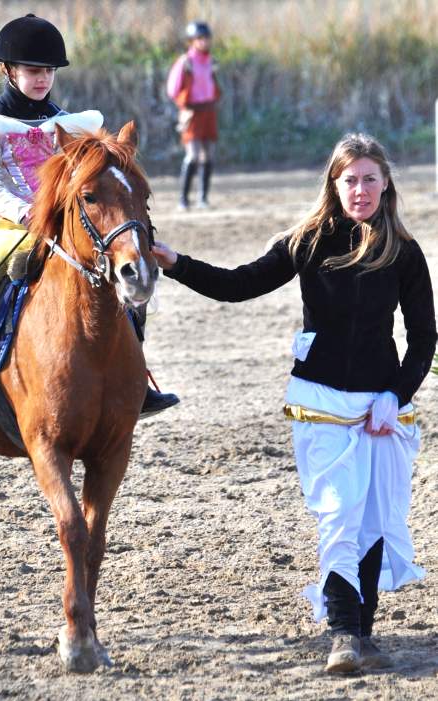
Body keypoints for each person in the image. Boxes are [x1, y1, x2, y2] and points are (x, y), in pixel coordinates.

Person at [152, 133, 436, 673]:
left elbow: (424, 337)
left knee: (373, 519)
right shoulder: (307, 240)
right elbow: (238, 285)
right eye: (349, 179)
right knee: (339, 513)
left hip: (379, 407)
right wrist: (176, 262)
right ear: (334, 183)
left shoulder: (404, 251)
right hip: (320, 403)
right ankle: (343, 634)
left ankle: (365, 630)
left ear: (385, 184)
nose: (360, 189)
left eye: (370, 179)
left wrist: (394, 397)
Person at [0, 13, 179, 427]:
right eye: (32, 70)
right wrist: (27, 212)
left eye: (48, 71)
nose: (42, 78)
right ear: (8, 71)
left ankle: (137, 379)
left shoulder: (70, 126)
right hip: (4, 223)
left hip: (60, 224)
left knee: (122, 270)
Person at [166, 20, 220, 210]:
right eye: (200, 38)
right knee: (193, 155)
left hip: (208, 111)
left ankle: (203, 198)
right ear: (192, 41)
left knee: (209, 155)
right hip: (192, 112)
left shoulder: (211, 61)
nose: (204, 42)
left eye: (206, 38)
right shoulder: (185, 62)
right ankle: (183, 199)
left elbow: (213, 86)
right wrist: (184, 107)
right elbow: (172, 89)